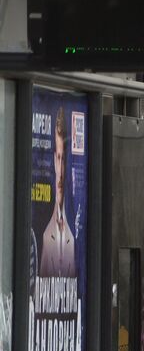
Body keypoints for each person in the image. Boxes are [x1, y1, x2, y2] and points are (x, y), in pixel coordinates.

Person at [39, 108, 76, 279]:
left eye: (64, 161)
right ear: (54, 160)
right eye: (59, 158)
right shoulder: (46, 236)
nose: (60, 171)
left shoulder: (73, 237)